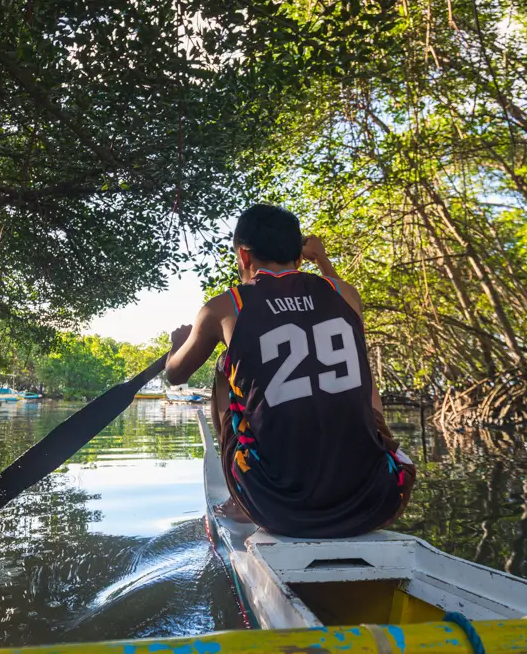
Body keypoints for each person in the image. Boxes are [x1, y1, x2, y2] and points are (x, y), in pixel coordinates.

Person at [166, 204, 416, 538]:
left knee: (224, 369)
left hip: (275, 506)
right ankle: (367, 455)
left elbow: (175, 375)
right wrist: (322, 259)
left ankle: (240, 499)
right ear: (299, 256)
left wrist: (177, 344)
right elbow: (336, 286)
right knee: (358, 363)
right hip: (377, 498)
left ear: (244, 255)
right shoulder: (344, 294)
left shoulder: (225, 306)